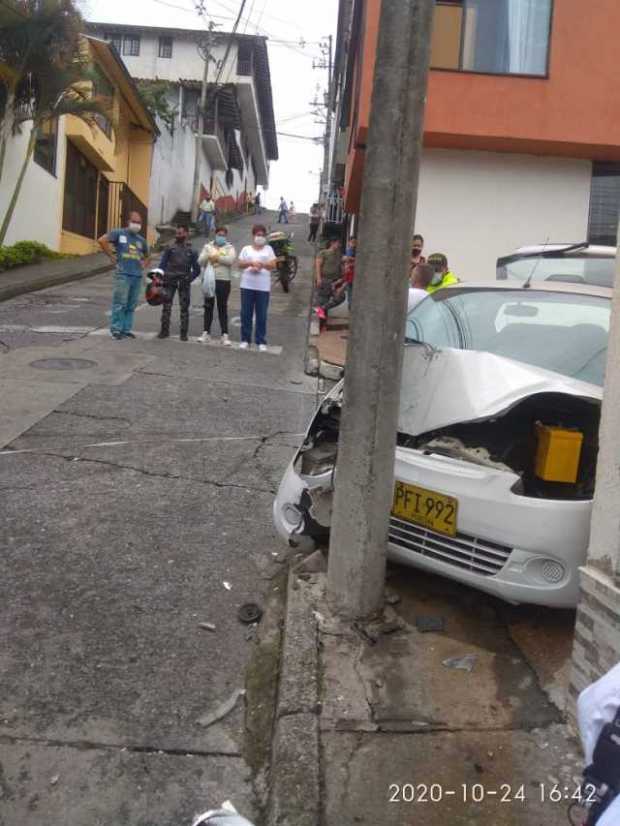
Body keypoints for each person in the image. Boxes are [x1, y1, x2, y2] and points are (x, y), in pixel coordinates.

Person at [98, 210, 149, 340]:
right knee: (120, 303)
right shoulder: (118, 233)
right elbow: (102, 240)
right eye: (134, 222)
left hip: (136, 276)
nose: (137, 225)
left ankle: (126, 329)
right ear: (128, 222)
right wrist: (111, 256)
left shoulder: (141, 240)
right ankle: (116, 329)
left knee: (131, 305)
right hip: (123, 274)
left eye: (139, 222)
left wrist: (144, 264)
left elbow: (148, 256)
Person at [236, 224, 277, 351]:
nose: (260, 237)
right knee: (245, 314)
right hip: (247, 285)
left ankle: (261, 340)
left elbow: (273, 264)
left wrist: (262, 265)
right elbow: (240, 264)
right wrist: (251, 263)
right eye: (258, 235)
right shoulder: (246, 249)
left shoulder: (269, 249)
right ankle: (245, 339)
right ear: (253, 236)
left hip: (263, 287)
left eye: (262, 235)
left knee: (262, 314)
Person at [157, 225, 201, 341]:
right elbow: (162, 265)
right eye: (177, 233)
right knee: (166, 307)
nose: (178, 235)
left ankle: (183, 333)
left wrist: (189, 279)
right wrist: (158, 279)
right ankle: (164, 331)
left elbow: (197, 270)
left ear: (186, 234)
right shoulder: (169, 248)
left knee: (184, 308)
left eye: (180, 233)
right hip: (169, 280)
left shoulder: (192, 250)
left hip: (184, 281)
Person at [197, 226, 237, 346]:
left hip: (223, 280)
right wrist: (209, 255)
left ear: (226, 236)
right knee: (208, 306)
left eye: (223, 235)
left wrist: (217, 257)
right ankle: (206, 333)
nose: (221, 237)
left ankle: (224, 335)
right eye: (219, 234)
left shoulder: (229, 247)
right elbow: (200, 261)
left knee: (222, 307)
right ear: (215, 234)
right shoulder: (207, 246)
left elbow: (230, 260)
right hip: (209, 280)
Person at [314, 237, 343, 320]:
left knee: (340, 297)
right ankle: (321, 320)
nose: (339, 245)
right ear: (332, 243)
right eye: (337, 243)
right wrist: (319, 278)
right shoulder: (323, 253)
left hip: (335, 280)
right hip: (324, 279)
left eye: (339, 243)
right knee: (323, 299)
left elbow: (342, 262)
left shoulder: (338, 254)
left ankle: (321, 308)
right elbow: (318, 266)